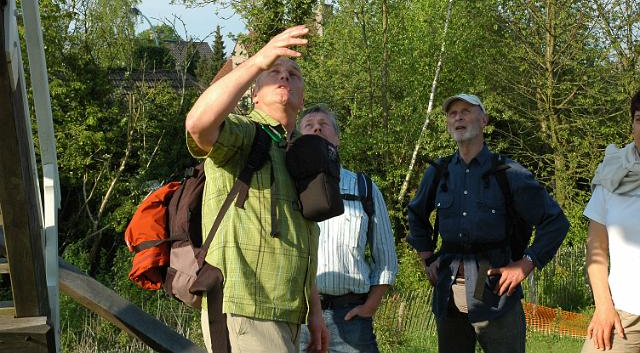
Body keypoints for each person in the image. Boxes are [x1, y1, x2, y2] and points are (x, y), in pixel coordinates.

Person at [185, 26, 328, 352]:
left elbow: (302, 239)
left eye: (293, 73)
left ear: (302, 97)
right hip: (246, 307)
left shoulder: (297, 154)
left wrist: (315, 313)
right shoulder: (244, 135)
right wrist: (256, 62)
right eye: (273, 72)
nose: (284, 77)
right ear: (254, 94)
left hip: (289, 313)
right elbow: (197, 125)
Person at [406, 93, 569, 353]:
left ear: (484, 120)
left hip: (495, 294)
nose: (458, 116)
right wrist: (426, 257)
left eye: (466, 111)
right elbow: (415, 214)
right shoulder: (438, 172)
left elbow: (556, 221)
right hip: (448, 291)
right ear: (448, 124)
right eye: (452, 113)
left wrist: (526, 264)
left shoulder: (510, 174)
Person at [297, 104, 399, 353]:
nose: (317, 128)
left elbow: (386, 259)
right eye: (309, 126)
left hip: (351, 317)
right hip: (299, 319)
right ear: (297, 140)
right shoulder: (287, 188)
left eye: (324, 124)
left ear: (337, 139)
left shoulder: (363, 188)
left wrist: (369, 307)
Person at [581, 89, 640, 353]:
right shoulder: (612, 174)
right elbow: (596, 250)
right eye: (639, 119)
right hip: (625, 313)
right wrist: (604, 306)